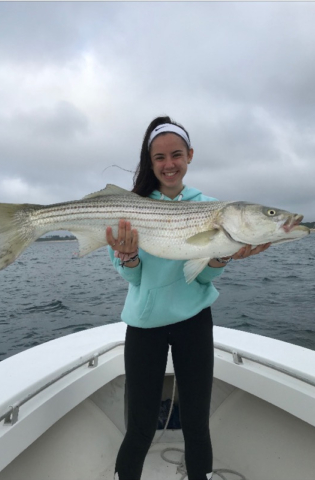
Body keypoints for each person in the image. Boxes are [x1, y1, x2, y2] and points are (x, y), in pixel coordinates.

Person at [106, 116, 270, 480]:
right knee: (140, 427)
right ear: (151, 163)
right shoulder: (131, 207)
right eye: (160, 158)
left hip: (193, 322)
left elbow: (203, 277)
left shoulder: (215, 208)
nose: (169, 165)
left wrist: (221, 257)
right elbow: (131, 277)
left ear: (190, 155)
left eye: (176, 155)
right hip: (144, 325)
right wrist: (128, 257)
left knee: (197, 423)